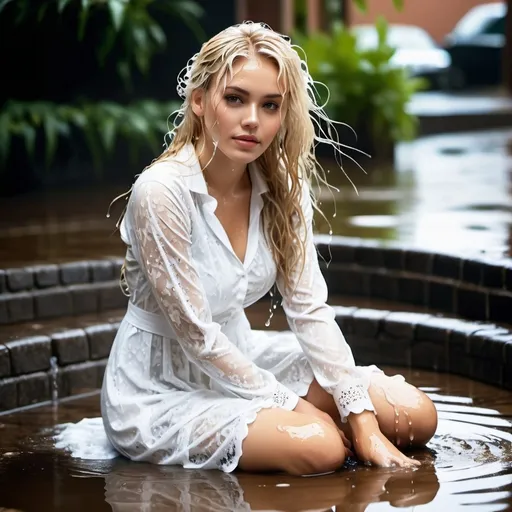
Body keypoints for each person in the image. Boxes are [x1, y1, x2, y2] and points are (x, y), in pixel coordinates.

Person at [98, 21, 438, 476]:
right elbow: (196, 335)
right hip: (160, 384)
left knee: (411, 415)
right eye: (235, 99)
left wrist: (361, 418)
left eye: (270, 105)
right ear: (199, 101)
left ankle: (332, 429)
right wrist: (294, 406)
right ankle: (300, 432)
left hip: (243, 355)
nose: (253, 119)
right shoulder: (161, 193)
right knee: (319, 447)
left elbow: (309, 308)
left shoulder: (282, 186)